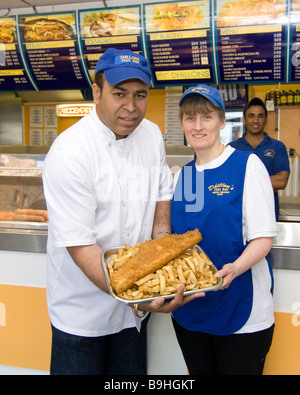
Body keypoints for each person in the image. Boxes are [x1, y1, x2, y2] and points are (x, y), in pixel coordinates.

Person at [42, 48, 201, 375]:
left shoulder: (152, 134)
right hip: (82, 314)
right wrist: (139, 297)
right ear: (97, 92)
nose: (131, 107)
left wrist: (162, 253)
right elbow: (81, 246)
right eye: (119, 94)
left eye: (140, 95)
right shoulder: (70, 152)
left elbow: (160, 195)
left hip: (133, 318)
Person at [171, 85, 277, 375]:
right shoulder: (185, 174)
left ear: (220, 121)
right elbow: (183, 238)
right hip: (191, 310)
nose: (198, 126)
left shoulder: (247, 165)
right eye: (190, 118)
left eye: (206, 117)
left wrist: (236, 268)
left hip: (242, 309)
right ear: (182, 124)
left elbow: (263, 238)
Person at [228, 97, 290, 220]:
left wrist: (243, 181)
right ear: (244, 120)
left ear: (266, 120)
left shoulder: (277, 147)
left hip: (268, 214)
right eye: (251, 116)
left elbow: (282, 181)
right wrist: (267, 182)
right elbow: (229, 183)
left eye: (260, 116)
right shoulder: (231, 148)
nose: (256, 120)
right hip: (239, 215)